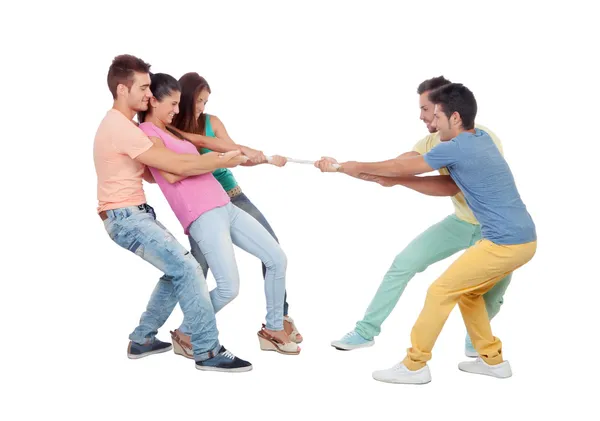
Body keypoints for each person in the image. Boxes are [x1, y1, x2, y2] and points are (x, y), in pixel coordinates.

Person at [317, 83, 536, 384]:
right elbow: (427, 177)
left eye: (435, 115)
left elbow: (401, 166)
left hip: (503, 241)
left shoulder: (455, 146)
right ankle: (493, 361)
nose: (431, 122)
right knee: (469, 294)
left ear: (455, 117)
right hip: (521, 238)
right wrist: (385, 177)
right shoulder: (479, 138)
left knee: (439, 291)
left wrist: (345, 166)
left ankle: (414, 365)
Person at [94, 54, 252, 372]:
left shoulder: (126, 129)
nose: (150, 95)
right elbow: (176, 166)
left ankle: (143, 339)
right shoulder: (121, 128)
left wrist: (219, 150)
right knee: (190, 269)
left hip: (132, 214)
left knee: (175, 271)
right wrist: (222, 160)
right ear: (123, 90)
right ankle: (207, 350)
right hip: (125, 217)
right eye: (144, 88)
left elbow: (162, 165)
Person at [138, 73, 299, 356]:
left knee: (276, 258)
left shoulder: (172, 131)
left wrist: (252, 155)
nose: (178, 111)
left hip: (224, 204)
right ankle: (188, 332)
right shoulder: (148, 135)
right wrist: (218, 160)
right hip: (202, 215)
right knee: (228, 288)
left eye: (180, 104)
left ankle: (274, 327)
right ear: (153, 101)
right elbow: (173, 173)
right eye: (173, 104)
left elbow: (210, 145)